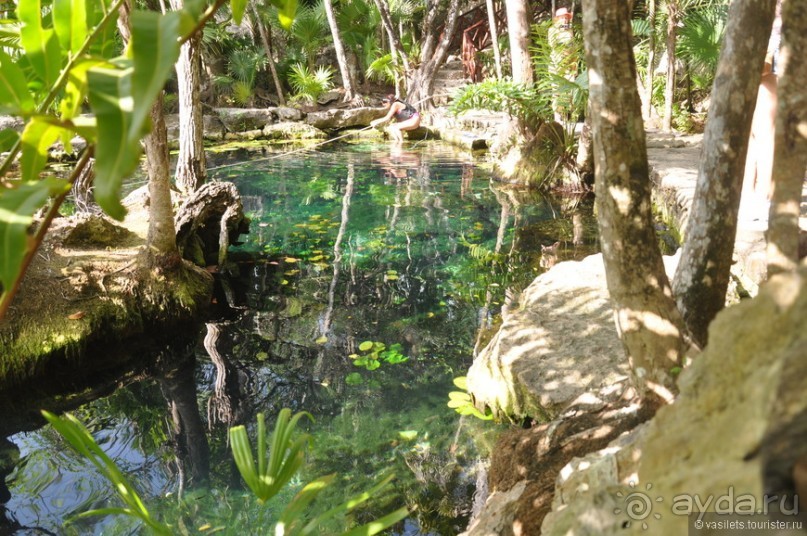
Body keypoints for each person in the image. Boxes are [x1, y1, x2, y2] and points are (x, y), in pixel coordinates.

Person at [743, 1, 781, 202]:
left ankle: (763, 192)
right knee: (752, 131)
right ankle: (750, 190)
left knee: (765, 132)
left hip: (771, 55)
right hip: (758, 52)